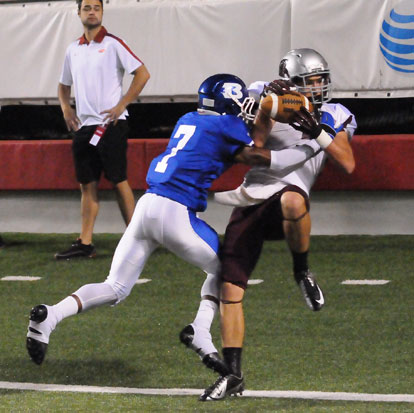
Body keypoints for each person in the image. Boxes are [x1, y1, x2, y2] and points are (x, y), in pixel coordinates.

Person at [26, 73, 283, 370]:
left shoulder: (188, 118)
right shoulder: (225, 124)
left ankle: (50, 316)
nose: (244, 108)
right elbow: (257, 152)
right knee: (227, 271)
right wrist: (281, 128)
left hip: (147, 206)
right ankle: (200, 330)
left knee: (116, 287)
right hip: (175, 212)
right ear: (227, 101)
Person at [183, 49, 357, 401]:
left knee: (292, 199)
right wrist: (265, 107)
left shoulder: (336, 113)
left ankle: (302, 272)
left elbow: (347, 163)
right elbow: (256, 143)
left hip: (291, 200)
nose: (320, 86)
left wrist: (316, 127)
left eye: (322, 79)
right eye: (312, 81)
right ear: (292, 83)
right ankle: (233, 375)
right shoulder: (264, 91)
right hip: (254, 195)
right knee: (231, 289)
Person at [55, 0, 150, 260]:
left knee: (119, 180)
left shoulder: (113, 44)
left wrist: (122, 105)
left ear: (102, 12)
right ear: (79, 13)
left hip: (111, 125)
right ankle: (85, 243)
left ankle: (136, 239)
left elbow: (142, 73)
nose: (92, 11)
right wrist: (66, 109)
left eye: (96, 7)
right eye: (87, 8)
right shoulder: (72, 49)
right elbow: (63, 86)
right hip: (84, 127)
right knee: (87, 184)